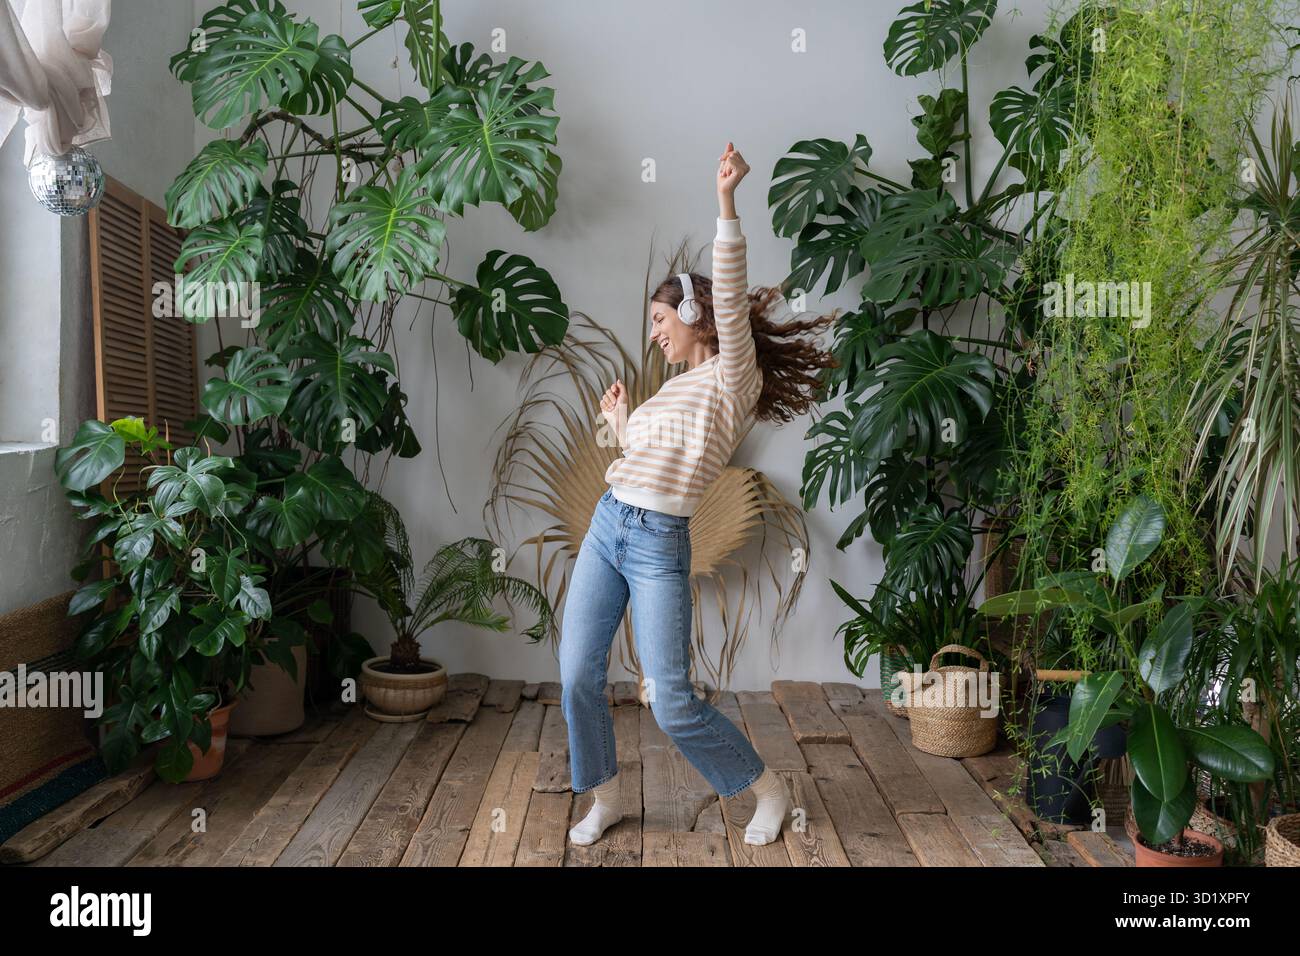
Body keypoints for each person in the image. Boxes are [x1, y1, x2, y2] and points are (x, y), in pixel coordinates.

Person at [560, 143, 835, 848]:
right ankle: (607, 794)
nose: (654, 331)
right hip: (609, 525)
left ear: (695, 315)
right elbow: (644, 464)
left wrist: (725, 203)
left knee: (672, 703)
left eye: (661, 318)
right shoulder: (673, 392)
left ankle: (766, 790)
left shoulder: (730, 379)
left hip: (656, 544)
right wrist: (623, 424)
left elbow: (731, 282)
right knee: (577, 677)